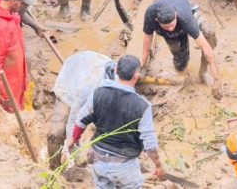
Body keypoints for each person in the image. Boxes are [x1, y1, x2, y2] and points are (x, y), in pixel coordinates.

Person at [69, 55, 165, 188]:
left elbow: (81, 121)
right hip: (124, 166)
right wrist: (158, 165)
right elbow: (150, 144)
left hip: (98, 160)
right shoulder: (142, 106)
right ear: (137, 75)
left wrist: (74, 139)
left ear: (115, 70)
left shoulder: (98, 93)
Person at [141, 0, 222, 99]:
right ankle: (180, 44)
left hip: (185, 8)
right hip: (172, 24)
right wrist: (142, 66)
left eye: (172, 24)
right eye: (166, 26)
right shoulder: (150, 15)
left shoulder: (185, 18)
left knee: (208, 33)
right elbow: (147, 42)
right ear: (157, 21)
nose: (170, 28)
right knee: (181, 65)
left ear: (175, 15)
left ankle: (203, 72)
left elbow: (206, 47)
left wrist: (217, 79)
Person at [48, 51, 115, 170]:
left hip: (91, 64)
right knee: (56, 133)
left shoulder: (121, 83)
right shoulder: (88, 89)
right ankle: (55, 169)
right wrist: (77, 156)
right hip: (69, 85)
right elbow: (74, 122)